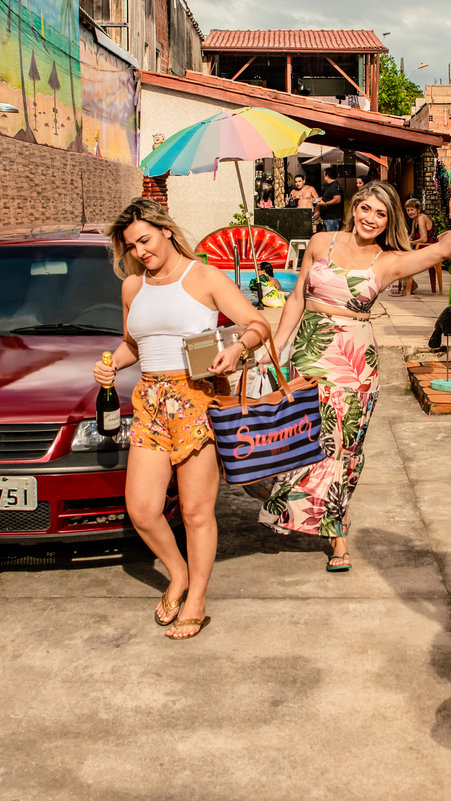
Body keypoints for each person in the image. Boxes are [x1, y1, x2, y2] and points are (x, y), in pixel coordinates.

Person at [258, 174, 451, 571]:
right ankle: (305, 509)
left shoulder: (387, 261)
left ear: (389, 221)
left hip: (354, 361)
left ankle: (337, 536)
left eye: (381, 214)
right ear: (354, 209)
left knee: (342, 449)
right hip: (310, 352)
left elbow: (442, 250)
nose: (371, 218)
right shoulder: (321, 243)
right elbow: (298, 295)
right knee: (305, 437)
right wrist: (279, 344)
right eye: (366, 208)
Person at [94, 198, 271, 640]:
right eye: (132, 245)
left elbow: (257, 323)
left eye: (145, 240)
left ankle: (196, 599)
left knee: (195, 511)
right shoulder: (133, 288)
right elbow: (134, 345)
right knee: (142, 508)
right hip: (151, 400)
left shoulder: (204, 276)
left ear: (166, 231)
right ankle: (178, 572)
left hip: (196, 397)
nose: (140, 251)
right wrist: (110, 365)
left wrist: (236, 349)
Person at [396, 198, 441, 296]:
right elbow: (411, 236)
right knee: (399, 254)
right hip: (422, 247)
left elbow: (424, 239)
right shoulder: (414, 221)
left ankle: (411, 285)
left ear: (418, 210)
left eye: (412, 209)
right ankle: (408, 284)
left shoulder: (421, 218)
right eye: (408, 210)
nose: (410, 212)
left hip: (429, 249)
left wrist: (411, 243)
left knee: (404, 258)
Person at [317, 168, 344, 232]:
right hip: (327, 217)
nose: (323, 177)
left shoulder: (334, 186)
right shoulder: (330, 186)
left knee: (331, 239)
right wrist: (318, 199)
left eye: (324, 175)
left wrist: (325, 203)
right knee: (327, 239)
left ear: (327, 176)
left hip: (332, 218)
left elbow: (337, 199)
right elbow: (328, 198)